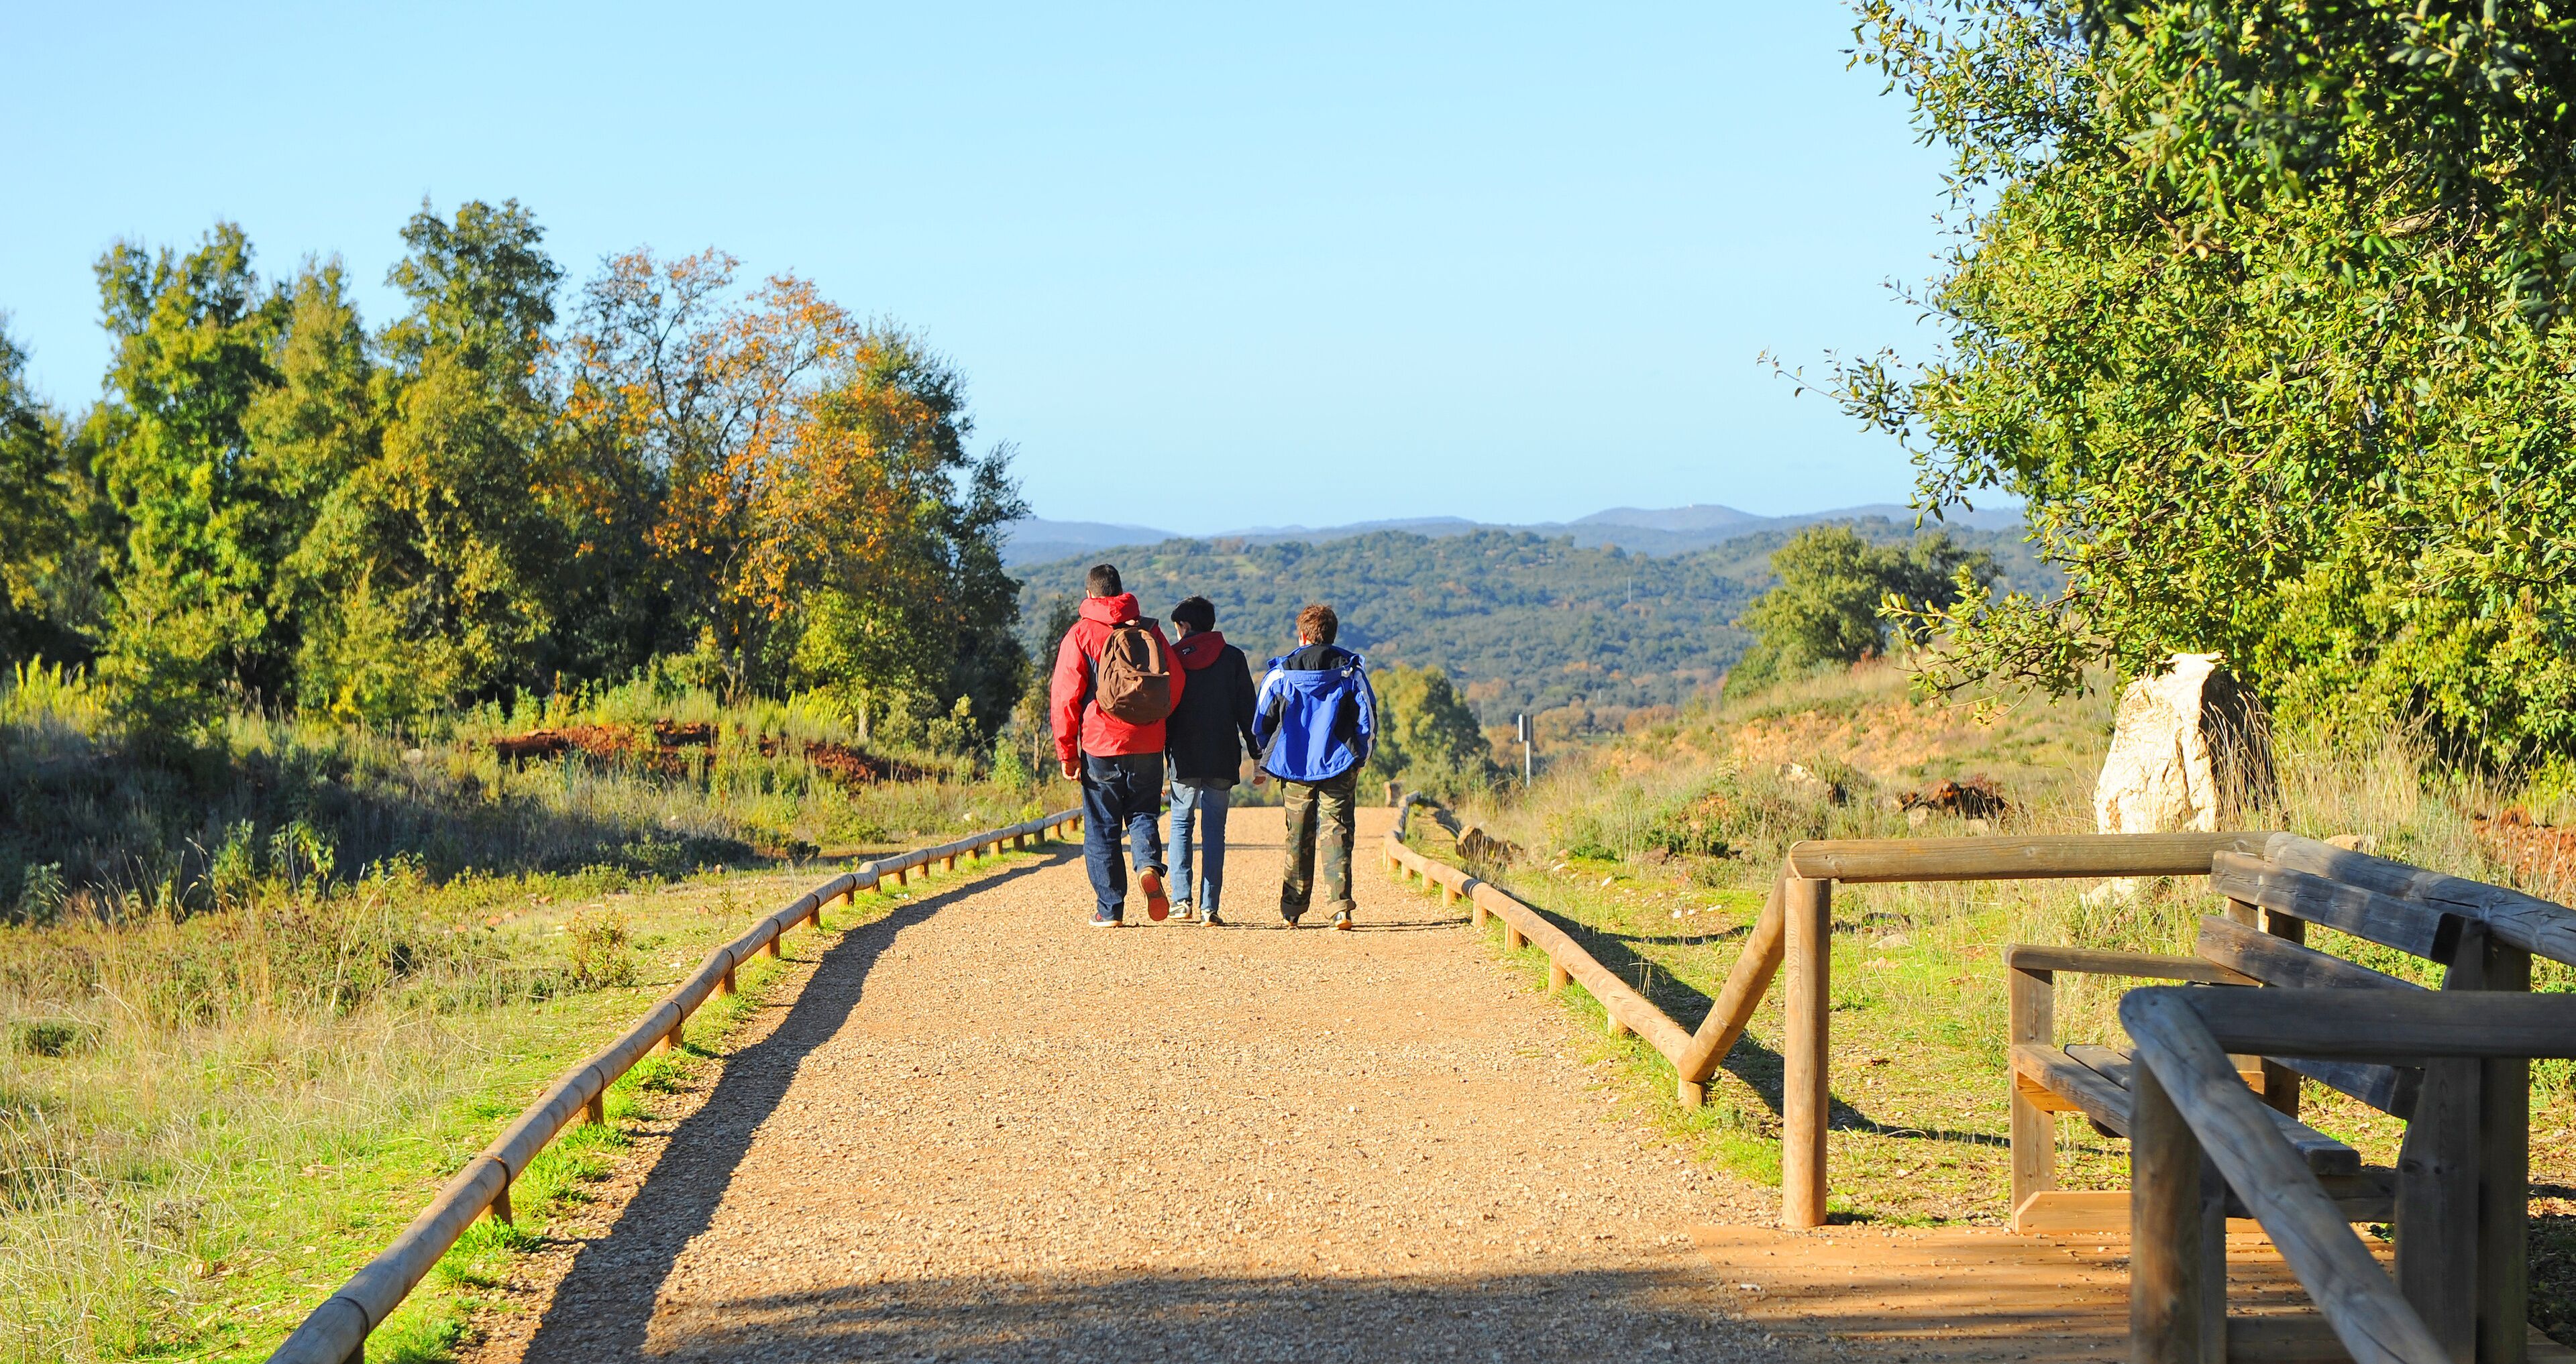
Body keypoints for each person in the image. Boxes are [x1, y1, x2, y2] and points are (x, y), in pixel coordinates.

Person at [1049, 563, 1184, 927]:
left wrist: (1067, 752)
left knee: (1102, 827)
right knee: (1143, 814)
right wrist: (1157, 722)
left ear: (1091, 594)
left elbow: (1065, 698)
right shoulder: (1150, 630)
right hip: (1148, 743)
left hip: (1100, 745)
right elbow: (1177, 680)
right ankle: (1148, 866)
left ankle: (1109, 910)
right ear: (1122, 591)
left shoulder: (1080, 634)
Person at [1250, 603, 1376, 931]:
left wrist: (1269, 753)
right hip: (1339, 763)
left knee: (1298, 834)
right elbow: (1367, 721)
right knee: (1337, 831)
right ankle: (1340, 908)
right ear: (1332, 634)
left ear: (1302, 635)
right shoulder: (1350, 670)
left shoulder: (1280, 673)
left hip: (1293, 766)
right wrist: (1361, 756)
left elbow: (1261, 722)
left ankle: (1292, 909)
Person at [1161, 595, 1257, 926]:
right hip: (1222, 756)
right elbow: (1249, 713)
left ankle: (1180, 901)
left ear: (1185, 627)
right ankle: (1209, 907)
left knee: (1180, 824)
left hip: (1183, 758)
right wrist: (1257, 757)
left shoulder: (1171, 659)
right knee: (1215, 830)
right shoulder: (1233, 658)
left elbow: (1164, 711)